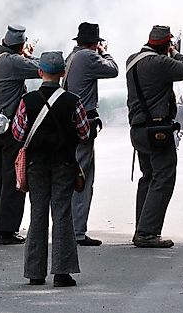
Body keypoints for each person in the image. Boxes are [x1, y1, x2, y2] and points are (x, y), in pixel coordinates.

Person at [12, 51, 90, 287]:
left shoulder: (28, 100)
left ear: (40, 72)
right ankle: (62, 273)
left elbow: (18, 133)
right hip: (64, 164)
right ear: (63, 73)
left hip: (36, 165)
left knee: (37, 214)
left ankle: (35, 273)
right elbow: (84, 133)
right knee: (62, 213)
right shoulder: (73, 101)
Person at [126, 25, 183, 248]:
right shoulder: (159, 62)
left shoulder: (132, 59)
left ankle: (142, 228)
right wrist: (175, 52)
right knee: (163, 178)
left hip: (139, 128)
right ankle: (147, 233)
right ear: (167, 44)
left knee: (148, 177)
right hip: (157, 130)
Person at [0, 25, 40, 245]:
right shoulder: (14, 61)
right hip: (10, 128)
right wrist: (28, 56)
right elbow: (43, 68)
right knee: (13, 178)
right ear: (20, 46)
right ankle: (7, 230)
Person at [63, 22, 118, 247]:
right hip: (83, 121)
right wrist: (105, 52)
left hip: (72, 121)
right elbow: (113, 69)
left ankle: (69, 228)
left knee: (73, 176)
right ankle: (77, 231)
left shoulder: (73, 56)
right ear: (94, 43)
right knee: (82, 177)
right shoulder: (88, 56)